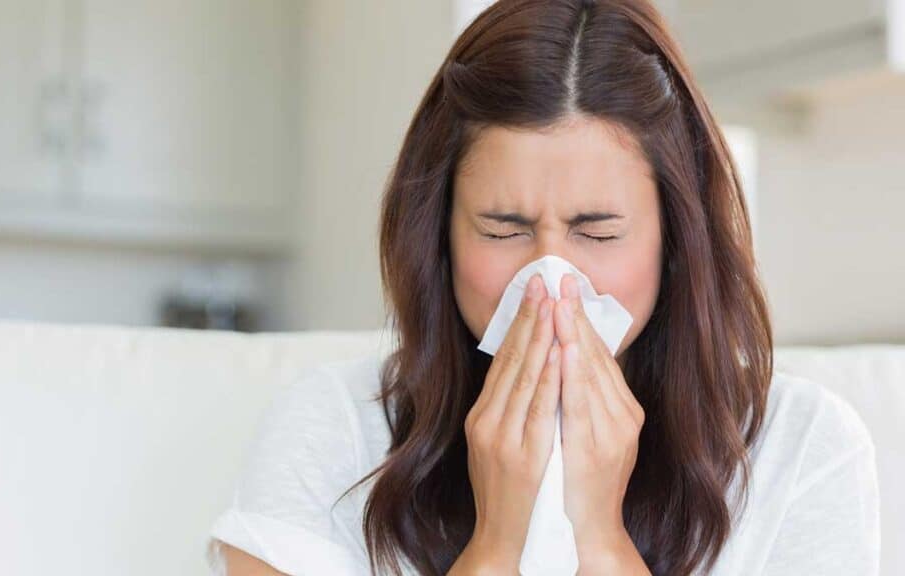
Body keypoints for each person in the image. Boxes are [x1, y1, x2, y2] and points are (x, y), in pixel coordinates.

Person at [209, 0, 881, 574]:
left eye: (598, 232)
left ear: (676, 240)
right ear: (438, 237)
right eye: (503, 230)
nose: (548, 284)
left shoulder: (802, 444)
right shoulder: (331, 427)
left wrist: (599, 537)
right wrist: (498, 543)